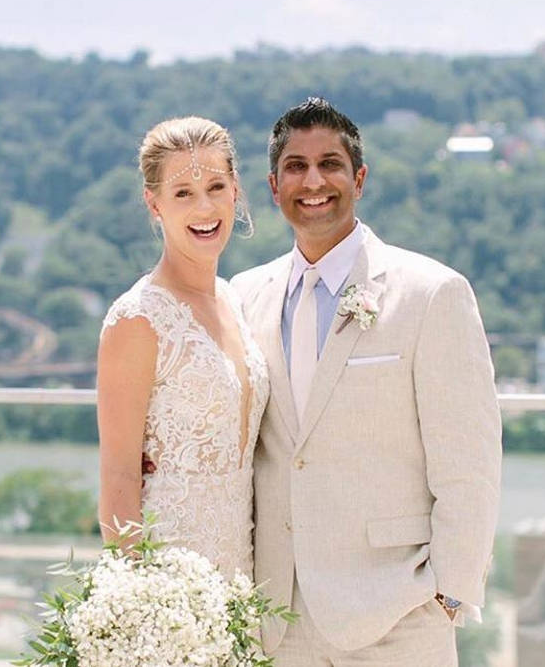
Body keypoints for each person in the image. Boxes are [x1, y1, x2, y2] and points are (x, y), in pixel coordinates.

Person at [230, 97, 502, 667]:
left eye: (330, 163)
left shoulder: (432, 293)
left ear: (359, 177)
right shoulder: (244, 296)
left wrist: (449, 593)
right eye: (296, 167)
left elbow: (469, 463)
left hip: (397, 612)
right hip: (277, 619)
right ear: (274, 185)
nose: (314, 181)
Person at [97, 117, 269, 578]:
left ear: (236, 191)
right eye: (183, 194)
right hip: (171, 581)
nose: (204, 208)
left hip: (244, 575)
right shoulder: (138, 319)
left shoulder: (237, 301)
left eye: (216, 186)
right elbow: (118, 478)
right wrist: (139, 599)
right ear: (154, 204)